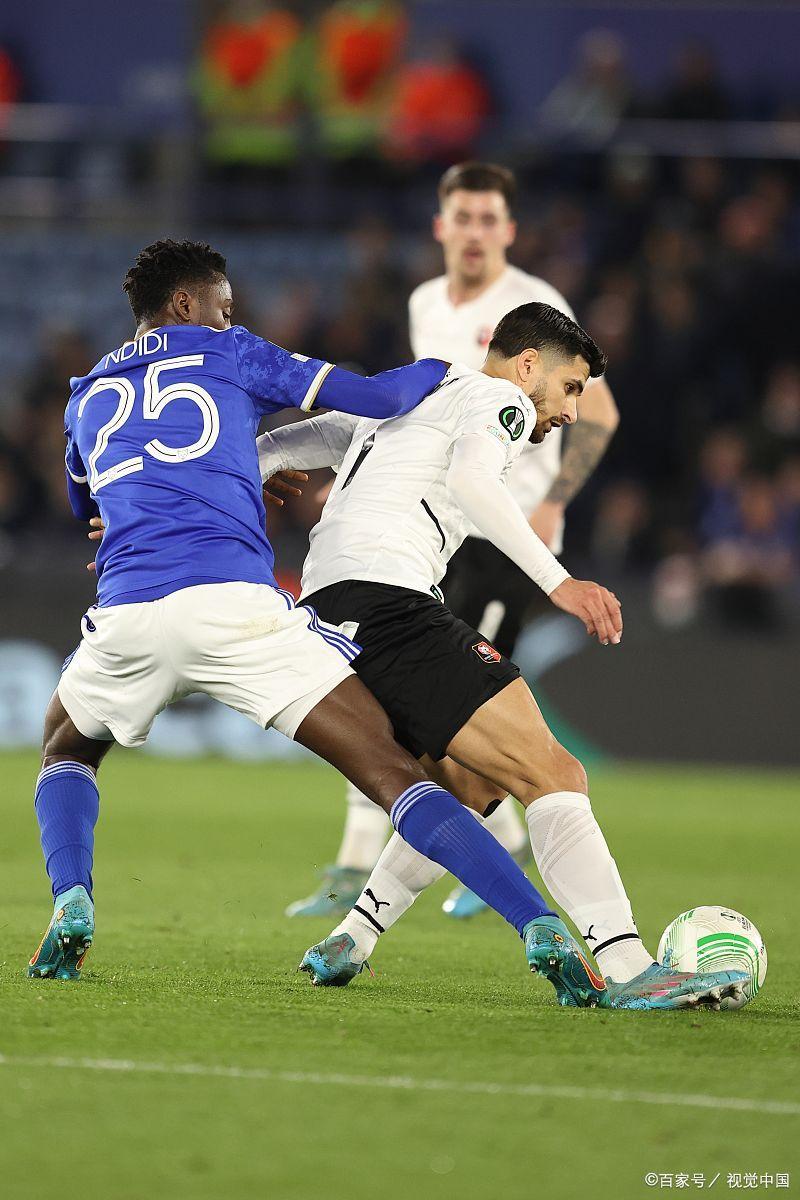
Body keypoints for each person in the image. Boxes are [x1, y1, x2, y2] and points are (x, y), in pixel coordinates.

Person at [28, 239, 597, 1005]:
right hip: (235, 607)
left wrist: (242, 462)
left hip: (127, 611)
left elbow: (90, 508)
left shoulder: (85, 393)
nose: (232, 318)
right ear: (188, 304)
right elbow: (374, 399)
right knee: (397, 775)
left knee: (66, 742)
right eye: (224, 306)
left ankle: (73, 900)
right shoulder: (232, 353)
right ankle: (538, 925)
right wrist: (438, 376)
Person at [258, 301, 744, 1010]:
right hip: (391, 608)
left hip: (331, 617)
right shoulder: (498, 400)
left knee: (467, 785)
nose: (571, 410)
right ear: (527, 365)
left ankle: (354, 938)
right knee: (554, 771)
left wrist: (258, 464)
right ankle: (630, 965)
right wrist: (560, 581)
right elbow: (472, 486)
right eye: (571, 386)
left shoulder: (411, 396)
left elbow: (303, 438)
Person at [286, 161, 621, 921]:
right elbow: (417, 421)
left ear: (509, 229)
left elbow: (598, 416)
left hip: (506, 539)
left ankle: (387, 893)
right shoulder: (427, 305)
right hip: (430, 542)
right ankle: (471, 861)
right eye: (461, 218)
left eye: (488, 219)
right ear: (442, 227)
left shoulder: (535, 311)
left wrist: (552, 508)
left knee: (465, 740)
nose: (474, 232)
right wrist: (369, 476)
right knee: (449, 741)